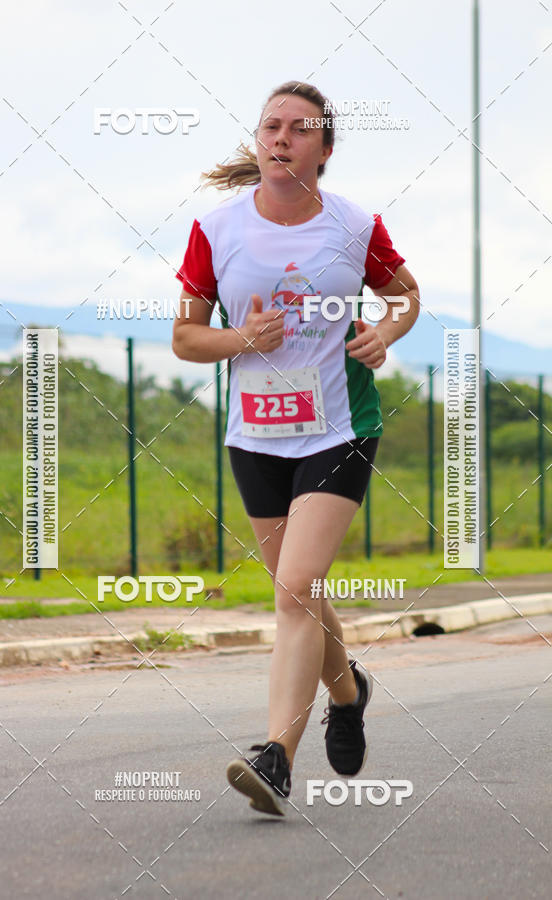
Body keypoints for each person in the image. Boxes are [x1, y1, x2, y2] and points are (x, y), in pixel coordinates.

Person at [172, 81, 420, 817]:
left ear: (324, 149)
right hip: (255, 434)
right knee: (301, 594)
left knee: (294, 589)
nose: (279, 138)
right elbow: (186, 339)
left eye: (297, 129)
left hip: (340, 428)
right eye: (269, 127)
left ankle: (276, 756)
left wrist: (386, 331)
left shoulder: (354, 224)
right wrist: (243, 338)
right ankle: (349, 693)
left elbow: (405, 294)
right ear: (258, 143)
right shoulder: (216, 229)